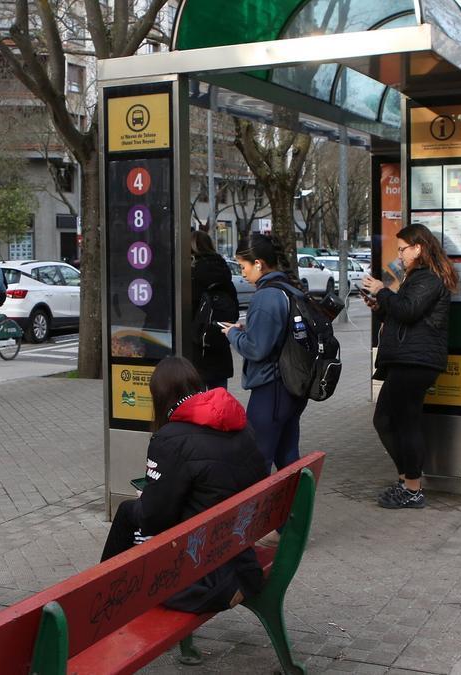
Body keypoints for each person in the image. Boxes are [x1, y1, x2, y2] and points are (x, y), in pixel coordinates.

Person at [100, 356, 266, 613]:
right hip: (238, 554)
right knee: (136, 514)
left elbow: (154, 519)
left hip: (204, 574)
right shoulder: (240, 425)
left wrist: (147, 497)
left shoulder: (170, 439)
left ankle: (100, 597)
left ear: (160, 398)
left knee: (128, 513)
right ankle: (101, 590)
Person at [361, 224, 456, 509]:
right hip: (408, 360)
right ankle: (407, 482)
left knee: (403, 421)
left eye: (403, 249)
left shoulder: (429, 278)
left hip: (416, 361)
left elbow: (408, 310)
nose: (399, 254)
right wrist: (381, 305)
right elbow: (404, 311)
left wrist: (382, 291)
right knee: (389, 420)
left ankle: (412, 488)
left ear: (419, 248)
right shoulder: (417, 277)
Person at [223, 234, 308, 474]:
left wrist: (233, 335)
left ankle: (258, 512)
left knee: (257, 459)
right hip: (292, 386)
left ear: (258, 263)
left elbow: (257, 349)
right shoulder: (289, 288)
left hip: (271, 389)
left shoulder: (265, 297)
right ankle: (295, 509)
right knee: (288, 455)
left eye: (243, 266)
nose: (242, 273)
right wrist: (248, 330)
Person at [189, 230, 240, 389]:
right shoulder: (223, 271)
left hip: (195, 346)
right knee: (217, 400)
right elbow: (234, 309)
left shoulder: (190, 273)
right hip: (219, 344)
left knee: (197, 402)